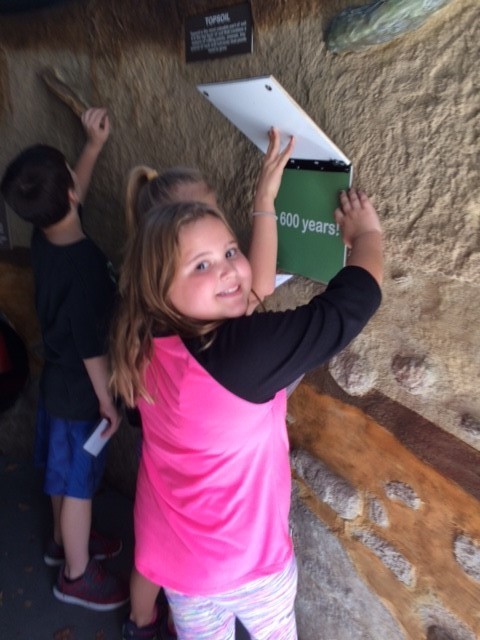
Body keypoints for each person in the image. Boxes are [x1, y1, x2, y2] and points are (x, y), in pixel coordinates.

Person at [110, 182, 383, 639]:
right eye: (202, 264)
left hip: (180, 567)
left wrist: (263, 204)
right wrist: (366, 236)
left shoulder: (142, 338)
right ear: (160, 287)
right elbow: (352, 304)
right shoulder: (239, 355)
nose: (230, 270)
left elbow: (245, 306)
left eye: (231, 251)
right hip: (250, 565)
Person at [120, 128, 295, 639]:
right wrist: (264, 201)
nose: (215, 232)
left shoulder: (139, 309)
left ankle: (139, 624)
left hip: (172, 517)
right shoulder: (214, 348)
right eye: (202, 252)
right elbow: (258, 291)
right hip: (238, 555)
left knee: (159, 555)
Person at [0, 108, 129, 611]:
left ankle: (63, 542)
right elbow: (92, 347)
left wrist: (92, 146)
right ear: (72, 193)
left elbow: (66, 196)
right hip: (81, 393)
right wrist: (108, 403)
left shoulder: (42, 238)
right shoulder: (86, 267)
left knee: (59, 473)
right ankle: (76, 574)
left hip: (54, 383)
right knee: (78, 485)